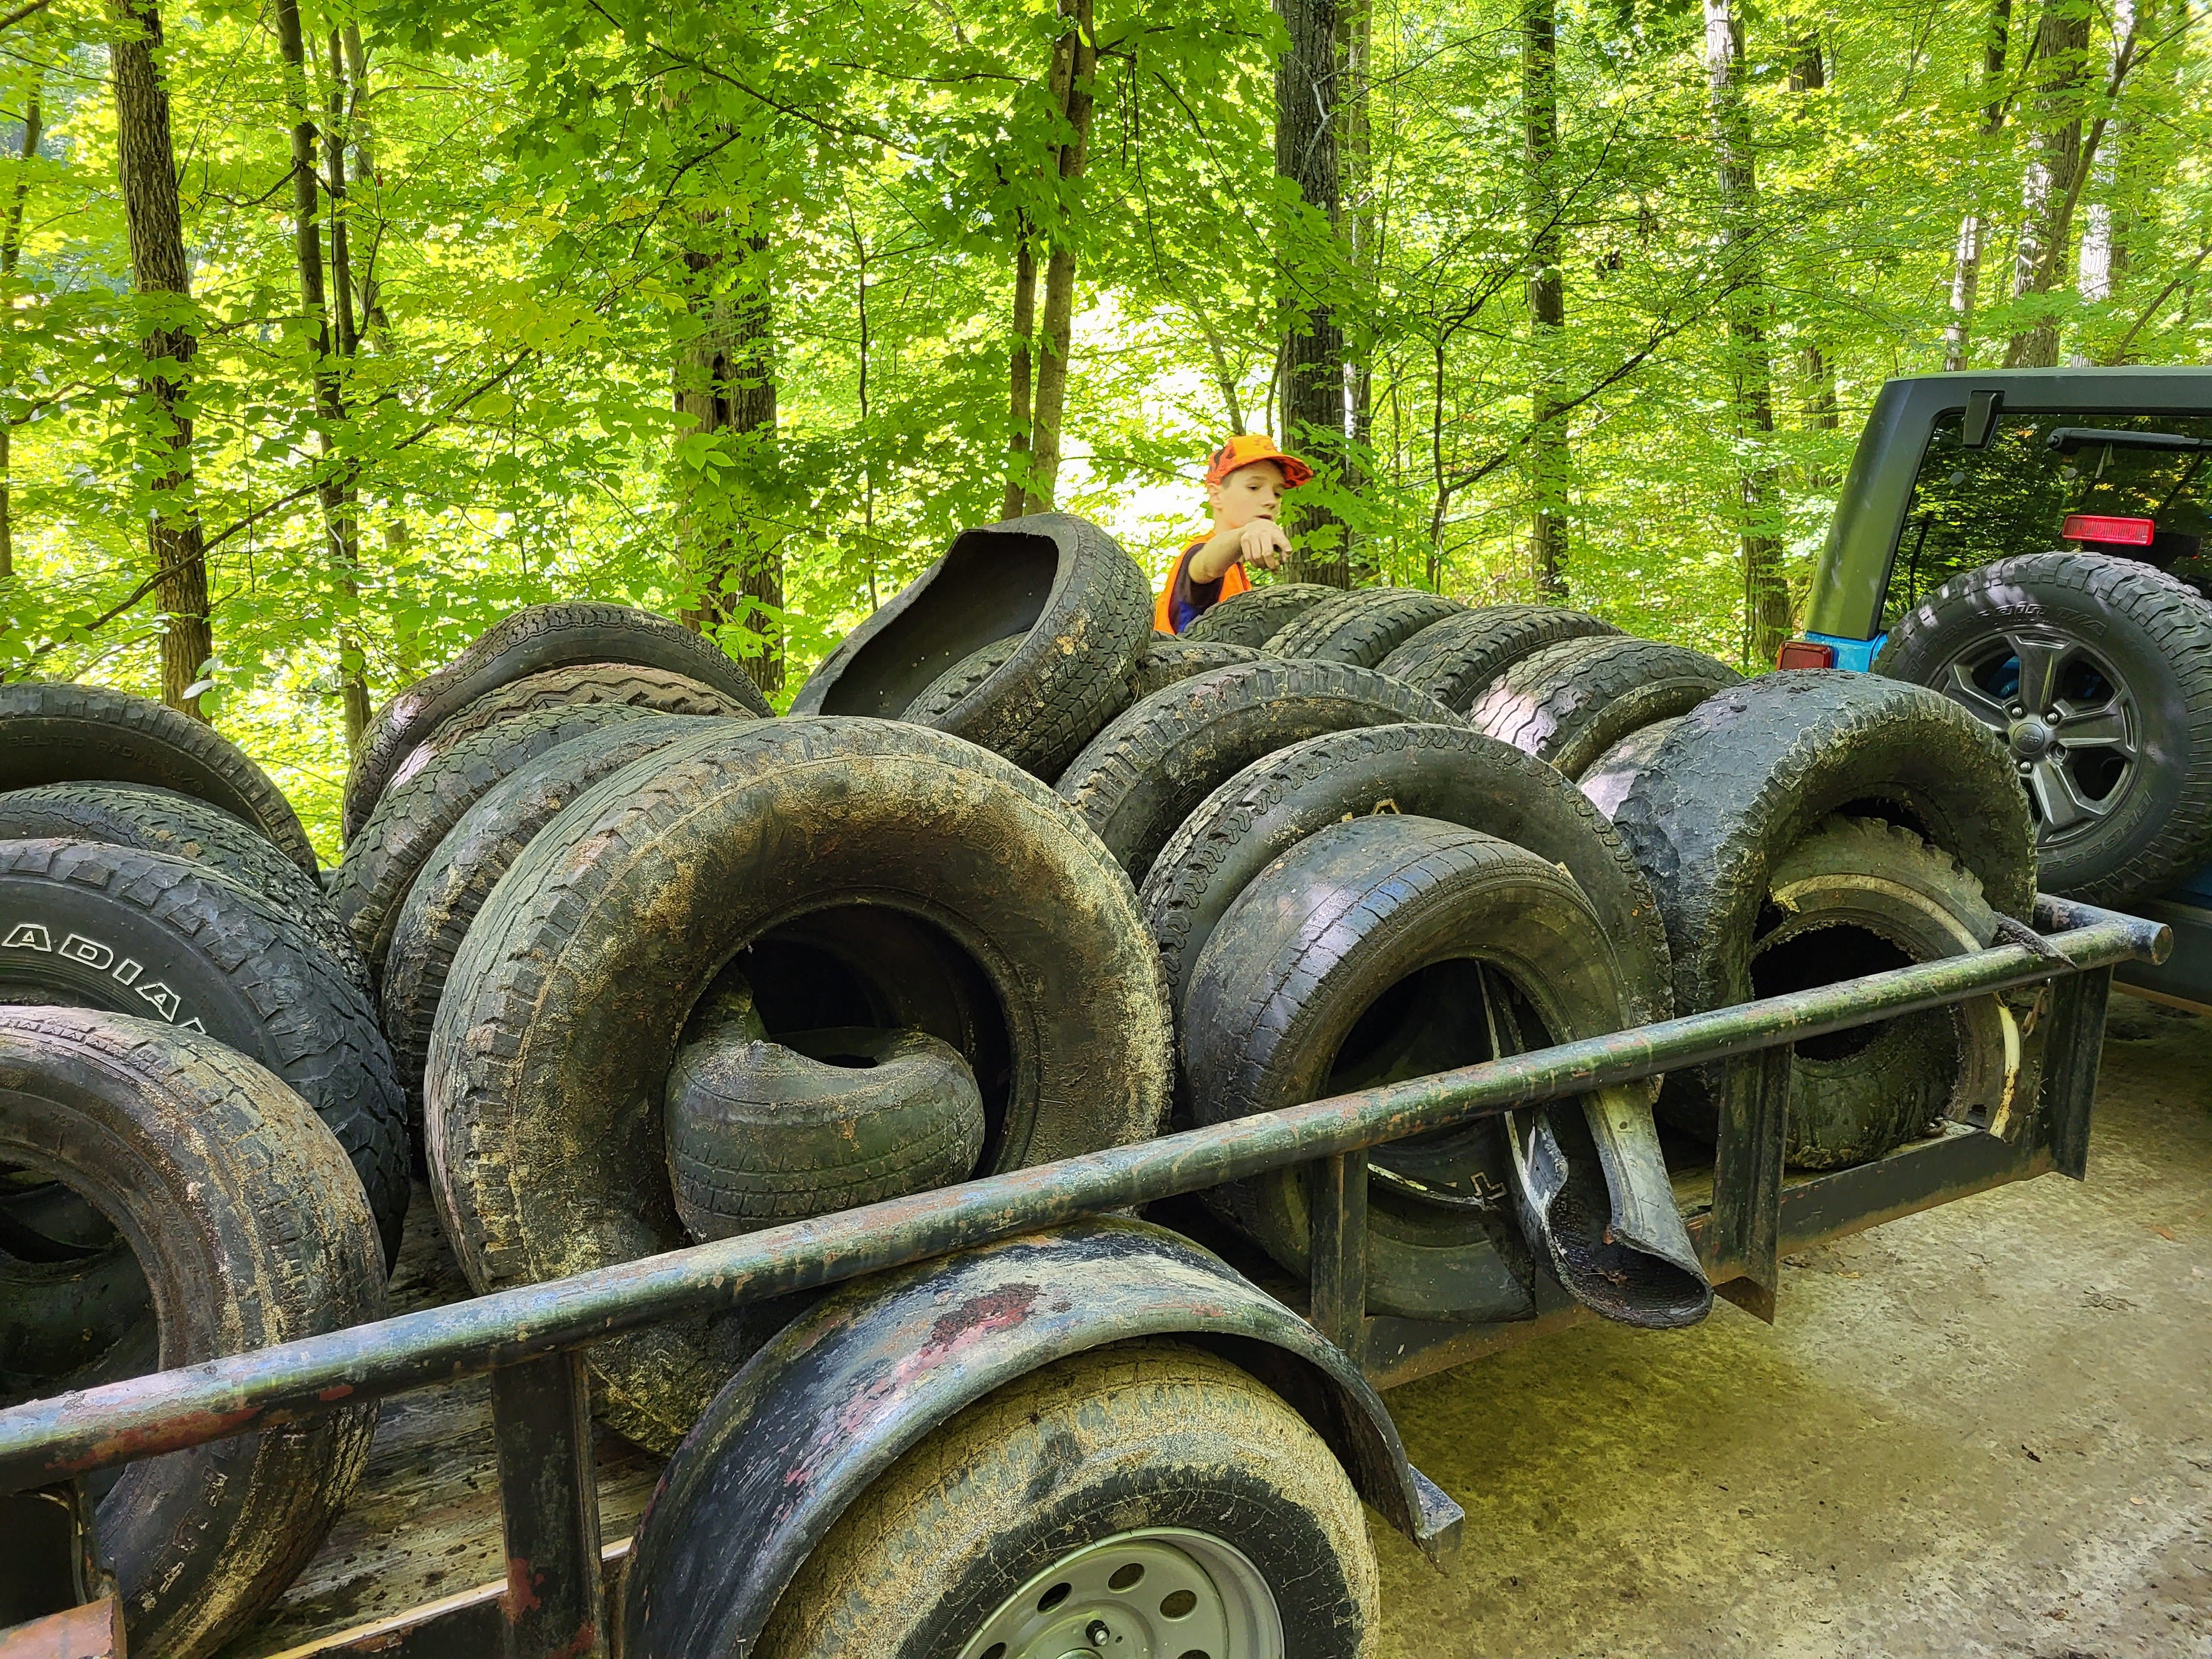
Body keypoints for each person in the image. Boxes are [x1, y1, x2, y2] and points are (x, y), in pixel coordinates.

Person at [1153, 434, 1315, 635]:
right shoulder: (1199, 554)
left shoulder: (1237, 572)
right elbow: (1204, 566)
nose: (1271, 501)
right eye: (1254, 487)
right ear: (1216, 496)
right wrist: (1245, 534)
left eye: (1278, 493)